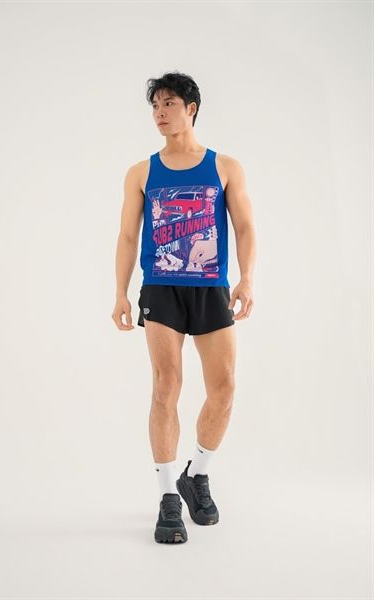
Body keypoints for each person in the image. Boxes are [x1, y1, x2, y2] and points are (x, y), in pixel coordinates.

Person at [112, 71, 256, 544]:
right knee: (166, 386)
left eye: (169, 103)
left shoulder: (224, 167)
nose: (160, 112)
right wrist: (120, 292)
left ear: (191, 108)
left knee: (224, 387)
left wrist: (247, 279)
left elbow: (245, 227)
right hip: (161, 289)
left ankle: (197, 474)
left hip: (211, 288)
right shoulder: (141, 172)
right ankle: (168, 497)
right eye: (155, 105)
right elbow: (128, 236)